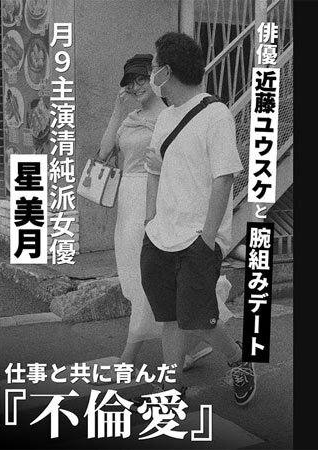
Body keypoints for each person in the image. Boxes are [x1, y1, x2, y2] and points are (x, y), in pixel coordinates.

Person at [141, 32, 257, 406]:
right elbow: (154, 170)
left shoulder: (215, 114)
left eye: (154, 66)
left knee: (197, 318)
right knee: (170, 317)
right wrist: (149, 221)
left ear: (167, 71)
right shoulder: (165, 118)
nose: (151, 74)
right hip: (160, 234)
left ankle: (237, 358)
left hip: (196, 237)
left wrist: (208, 237)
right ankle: (171, 388)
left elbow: (225, 177)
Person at [96, 54, 215, 375]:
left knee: (148, 278)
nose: (136, 87)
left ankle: (129, 354)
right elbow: (103, 153)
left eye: (141, 79)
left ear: (155, 78)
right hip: (127, 204)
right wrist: (116, 110)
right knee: (135, 278)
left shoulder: (172, 116)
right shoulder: (130, 118)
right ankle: (195, 345)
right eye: (130, 82)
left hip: (157, 201)